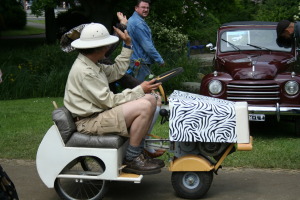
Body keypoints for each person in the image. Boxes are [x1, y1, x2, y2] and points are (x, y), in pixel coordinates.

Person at [63, 22, 165, 175]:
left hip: (97, 115)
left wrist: (128, 45)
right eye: (106, 45)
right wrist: (139, 90)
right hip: (89, 122)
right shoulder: (85, 71)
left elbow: (117, 71)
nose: (107, 48)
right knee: (144, 105)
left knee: (150, 100)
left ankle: (137, 151)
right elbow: (108, 101)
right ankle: (132, 158)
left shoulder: (91, 63)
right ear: (97, 48)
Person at [127, 0, 165, 81]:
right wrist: (159, 60)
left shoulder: (132, 20)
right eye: (143, 7)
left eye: (147, 8)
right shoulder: (138, 24)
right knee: (143, 89)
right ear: (136, 8)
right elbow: (147, 46)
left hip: (134, 60)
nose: (146, 10)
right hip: (140, 63)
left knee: (135, 88)